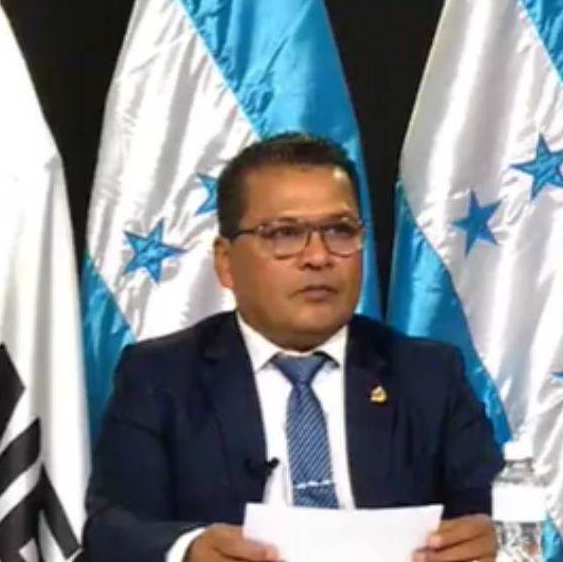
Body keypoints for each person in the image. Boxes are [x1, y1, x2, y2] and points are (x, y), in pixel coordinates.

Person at [83, 134, 502, 562]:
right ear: (226, 262)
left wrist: (490, 538)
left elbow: (493, 510)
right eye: (284, 234)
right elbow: (112, 530)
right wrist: (189, 550)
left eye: (340, 231)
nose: (318, 257)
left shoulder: (427, 374)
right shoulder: (161, 376)